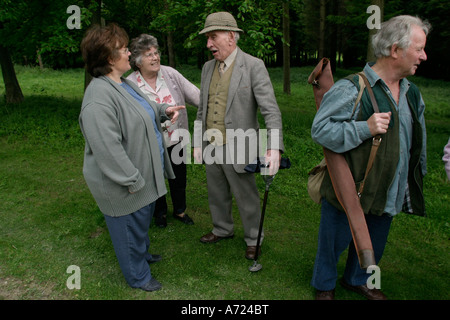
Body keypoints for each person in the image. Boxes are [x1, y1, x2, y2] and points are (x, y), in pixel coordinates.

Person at [310, 15, 430, 300]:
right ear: (395, 50)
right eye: (419, 48)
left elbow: (417, 142)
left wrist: (416, 174)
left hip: (389, 187)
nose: (424, 56)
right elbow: (321, 130)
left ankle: (357, 279)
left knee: (375, 239)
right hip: (350, 186)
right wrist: (365, 127)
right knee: (335, 237)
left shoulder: (413, 94)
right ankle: (324, 285)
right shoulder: (352, 88)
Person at [79, 23, 184, 292]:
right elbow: (107, 148)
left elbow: (143, 110)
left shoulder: (123, 84)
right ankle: (138, 276)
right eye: (124, 49)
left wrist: (163, 110)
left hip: (142, 177)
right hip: (126, 183)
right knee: (128, 229)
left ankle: (142, 255)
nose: (129, 53)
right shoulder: (98, 97)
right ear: (108, 58)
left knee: (140, 225)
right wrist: (133, 180)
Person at [193, 12, 284, 260]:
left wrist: (273, 147)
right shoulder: (207, 68)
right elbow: (202, 109)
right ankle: (222, 228)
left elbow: (271, 111)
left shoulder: (253, 66)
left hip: (241, 146)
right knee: (216, 192)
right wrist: (197, 142)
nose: (208, 44)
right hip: (211, 144)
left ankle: (254, 238)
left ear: (231, 37)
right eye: (207, 38)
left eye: (213, 37)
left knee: (247, 198)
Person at [127, 34, 200, 227]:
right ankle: (159, 213)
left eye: (156, 52)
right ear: (137, 61)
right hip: (150, 143)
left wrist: (214, 107)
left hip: (176, 138)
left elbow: (196, 95)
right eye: (149, 54)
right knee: (154, 177)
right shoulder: (130, 83)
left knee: (179, 177)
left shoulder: (170, 74)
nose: (155, 57)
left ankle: (180, 210)